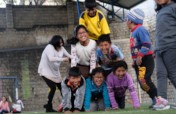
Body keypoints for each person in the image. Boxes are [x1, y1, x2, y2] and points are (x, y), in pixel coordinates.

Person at [126, 8, 157, 108]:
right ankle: (155, 99)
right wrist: (135, 60)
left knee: (145, 80)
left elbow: (147, 44)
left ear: (131, 20)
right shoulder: (134, 31)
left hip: (146, 59)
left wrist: (140, 56)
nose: (126, 21)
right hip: (139, 61)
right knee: (142, 82)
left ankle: (157, 100)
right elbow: (136, 48)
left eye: (127, 19)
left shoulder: (140, 29)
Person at [38, 35, 73, 112]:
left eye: (62, 42)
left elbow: (70, 56)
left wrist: (75, 58)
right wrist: (63, 59)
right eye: (59, 42)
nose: (61, 44)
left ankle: (67, 105)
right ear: (55, 42)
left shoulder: (62, 49)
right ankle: (49, 106)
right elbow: (51, 58)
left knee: (62, 88)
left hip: (55, 72)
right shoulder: (49, 47)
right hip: (45, 70)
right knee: (53, 87)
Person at [153, 0, 176, 110]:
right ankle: (162, 101)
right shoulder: (160, 11)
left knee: (173, 74)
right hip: (159, 49)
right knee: (160, 74)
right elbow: (159, 33)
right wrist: (155, 48)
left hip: (171, 47)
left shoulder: (174, 7)